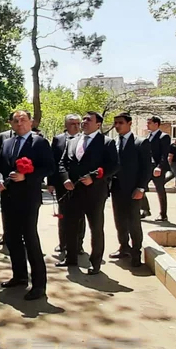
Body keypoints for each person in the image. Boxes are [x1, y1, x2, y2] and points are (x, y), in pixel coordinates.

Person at [0, 110, 55, 299]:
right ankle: (19, 276)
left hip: (29, 198)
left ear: (31, 122)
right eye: (16, 120)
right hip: (9, 197)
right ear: (11, 123)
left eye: (23, 120)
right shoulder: (7, 142)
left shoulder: (39, 142)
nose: (19, 123)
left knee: (30, 239)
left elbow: (49, 167)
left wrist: (26, 176)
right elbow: (1, 166)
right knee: (11, 239)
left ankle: (39, 285)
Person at [56, 111, 119, 275]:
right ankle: (70, 257)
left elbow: (113, 166)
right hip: (73, 192)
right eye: (83, 119)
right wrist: (65, 179)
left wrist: (94, 177)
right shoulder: (73, 141)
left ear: (98, 124)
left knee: (95, 228)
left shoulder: (107, 143)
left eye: (88, 120)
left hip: (95, 193)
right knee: (70, 226)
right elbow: (62, 163)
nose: (84, 122)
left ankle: (95, 262)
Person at [109, 113, 150, 268]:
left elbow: (147, 168)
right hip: (117, 189)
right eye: (115, 123)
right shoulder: (114, 143)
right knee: (119, 221)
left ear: (129, 123)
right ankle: (123, 247)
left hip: (134, 190)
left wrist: (141, 187)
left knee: (133, 222)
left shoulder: (141, 143)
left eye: (120, 123)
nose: (117, 126)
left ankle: (136, 252)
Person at [48, 114, 82, 257]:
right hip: (62, 184)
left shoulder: (84, 139)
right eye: (72, 123)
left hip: (80, 184)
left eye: (77, 123)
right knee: (63, 215)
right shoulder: (58, 139)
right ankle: (63, 243)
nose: (75, 126)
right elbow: (53, 162)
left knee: (80, 216)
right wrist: (51, 183)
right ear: (66, 125)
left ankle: (78, 245)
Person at [143, 116, 170, 221]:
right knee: (139, 187)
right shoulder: (148, 136)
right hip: (147, 167)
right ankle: (145, 209)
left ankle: (163, 214)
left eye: (149, 123)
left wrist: (159, 167)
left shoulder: (163, 137)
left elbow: (164, 154)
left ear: (156, 124)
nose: (147, 125)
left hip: (158, 168)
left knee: (160, 190)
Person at [0, 121, 13, 246]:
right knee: (6, 211)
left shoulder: (36, 138)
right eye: (15, 120)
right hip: (6, 182)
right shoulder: (4, 136)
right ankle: (6, 235)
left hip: (25, 184)